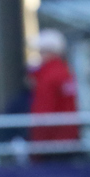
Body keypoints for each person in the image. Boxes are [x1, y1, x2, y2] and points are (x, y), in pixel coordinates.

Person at [29, 28, 79, 161]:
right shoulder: (66, 72)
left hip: (51, 145)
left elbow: (44, 111)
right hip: (69, 140)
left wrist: (37, 147)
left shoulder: (49, 76)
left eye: (42, 51)